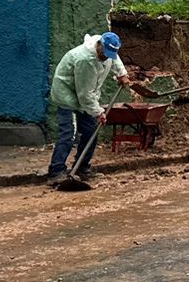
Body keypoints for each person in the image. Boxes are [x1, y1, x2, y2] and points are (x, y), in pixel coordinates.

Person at [47, 31, 131, 187]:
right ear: (99, 45)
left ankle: (82, 167)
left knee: (91, 130)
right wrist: (99, 112)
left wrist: (121, 73)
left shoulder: (108, 49)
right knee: (68, 134)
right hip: (67, 97)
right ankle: (56, 171)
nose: (106, 57)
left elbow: (115, 57)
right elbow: (85, 95)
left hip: (84, 97)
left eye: (109, 54)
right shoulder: (85, 60)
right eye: (104, 53)